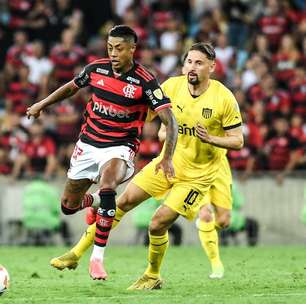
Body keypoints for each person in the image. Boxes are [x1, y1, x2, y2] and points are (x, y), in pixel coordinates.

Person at [51, 42, 243, 288]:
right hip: (166, 163)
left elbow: (238, 141)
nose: (192, 68)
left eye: (199, 63)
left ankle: (152, 275)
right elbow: (151, 114)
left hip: (198, 176)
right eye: (189, 62)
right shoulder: (171, 86)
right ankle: (75, 254)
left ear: (212, 67)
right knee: (121, 203)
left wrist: (211, 138)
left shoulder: (224, 98)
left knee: (157, 223)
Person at [26, 25, 178, 280]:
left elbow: (170, 120)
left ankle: (96, 259)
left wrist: (167, 156)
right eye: (110, 48)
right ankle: (94, 201)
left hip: (120, 146)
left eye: (119, 48)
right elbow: (72, 87)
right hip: (88, 144)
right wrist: (42, 104)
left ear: (132, 49)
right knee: (68, 206)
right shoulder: (96, 69)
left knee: (109, 186)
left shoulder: (145, 80)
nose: (114, 53)